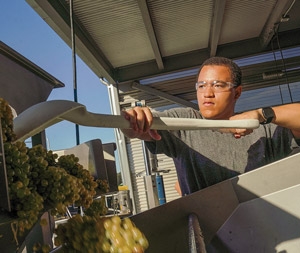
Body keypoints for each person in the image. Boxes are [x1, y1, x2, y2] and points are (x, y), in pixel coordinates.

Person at [122, 57, 300, 196]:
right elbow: (134, 129)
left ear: (237, 92)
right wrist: (134, 119)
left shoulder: (262, 128)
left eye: (218, 85)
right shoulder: (183, 122)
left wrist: (262, 114)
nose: (207, 93)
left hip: (263, 228)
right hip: (206, 233)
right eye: (201, 86)